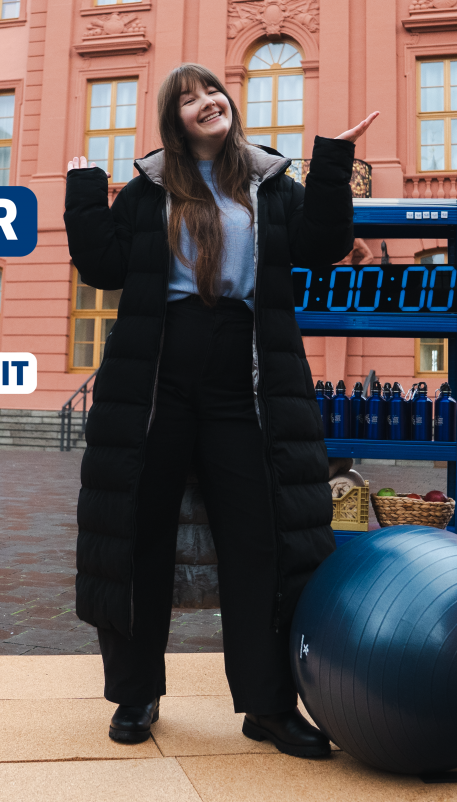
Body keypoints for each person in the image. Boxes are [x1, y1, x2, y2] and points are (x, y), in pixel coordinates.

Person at [64, 63, 377, 759]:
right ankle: (136, 694)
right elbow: (104, 267)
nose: (206, 102)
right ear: (173, 121)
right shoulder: (149, 190)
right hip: (157, 380)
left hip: (246, 380)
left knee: (258, 539)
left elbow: (323, 246)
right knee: (139, 534)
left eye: (211, 91)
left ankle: (267, 706)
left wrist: (333, 162)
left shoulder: (269, 185)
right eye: (188, 99)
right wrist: (84, 193)